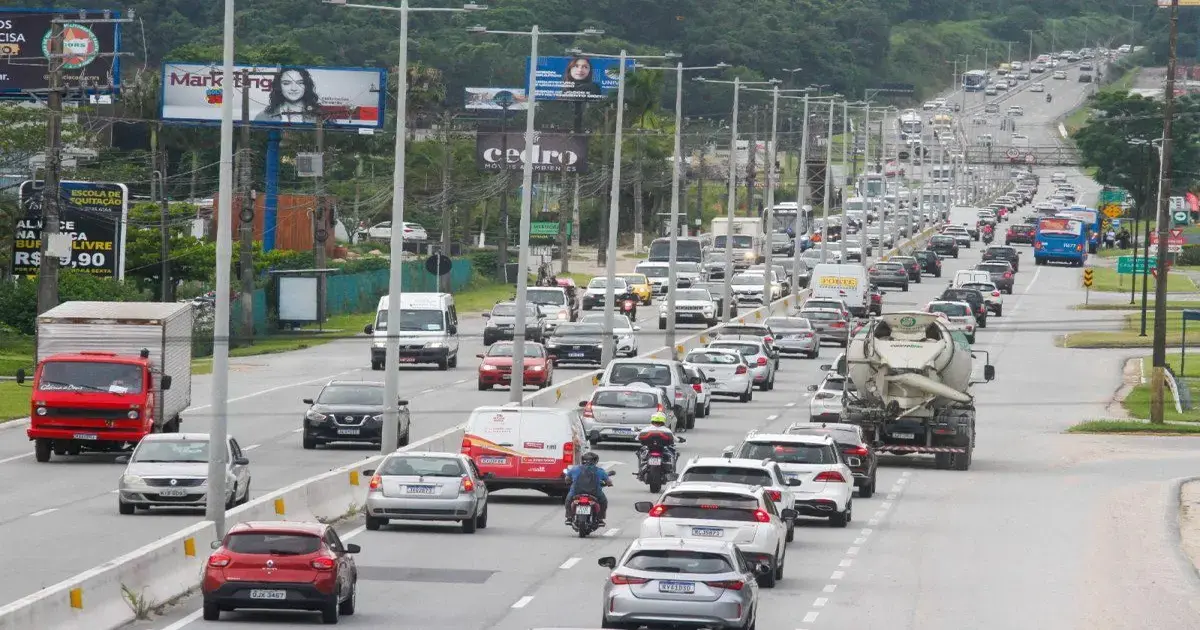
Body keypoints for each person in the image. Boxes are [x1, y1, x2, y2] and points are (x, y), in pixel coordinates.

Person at [255, 68, 321, 124]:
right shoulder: (263, 117)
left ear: (307, 85)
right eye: (286, 83)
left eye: (300, 83)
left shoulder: (319, 116)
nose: (294, 88)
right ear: (279, 86)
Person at [564, 451, 611, 523]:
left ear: (582, 460)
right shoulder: (600, 471)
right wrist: (609, 484)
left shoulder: (575, 469)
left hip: (576, 492)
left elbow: (567, 479)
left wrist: (569, 482)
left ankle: (569, 517)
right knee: (603, 502)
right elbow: (609, 482)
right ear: (596, 461)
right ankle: (600, 518)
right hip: (595, 493)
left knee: (568, 501)